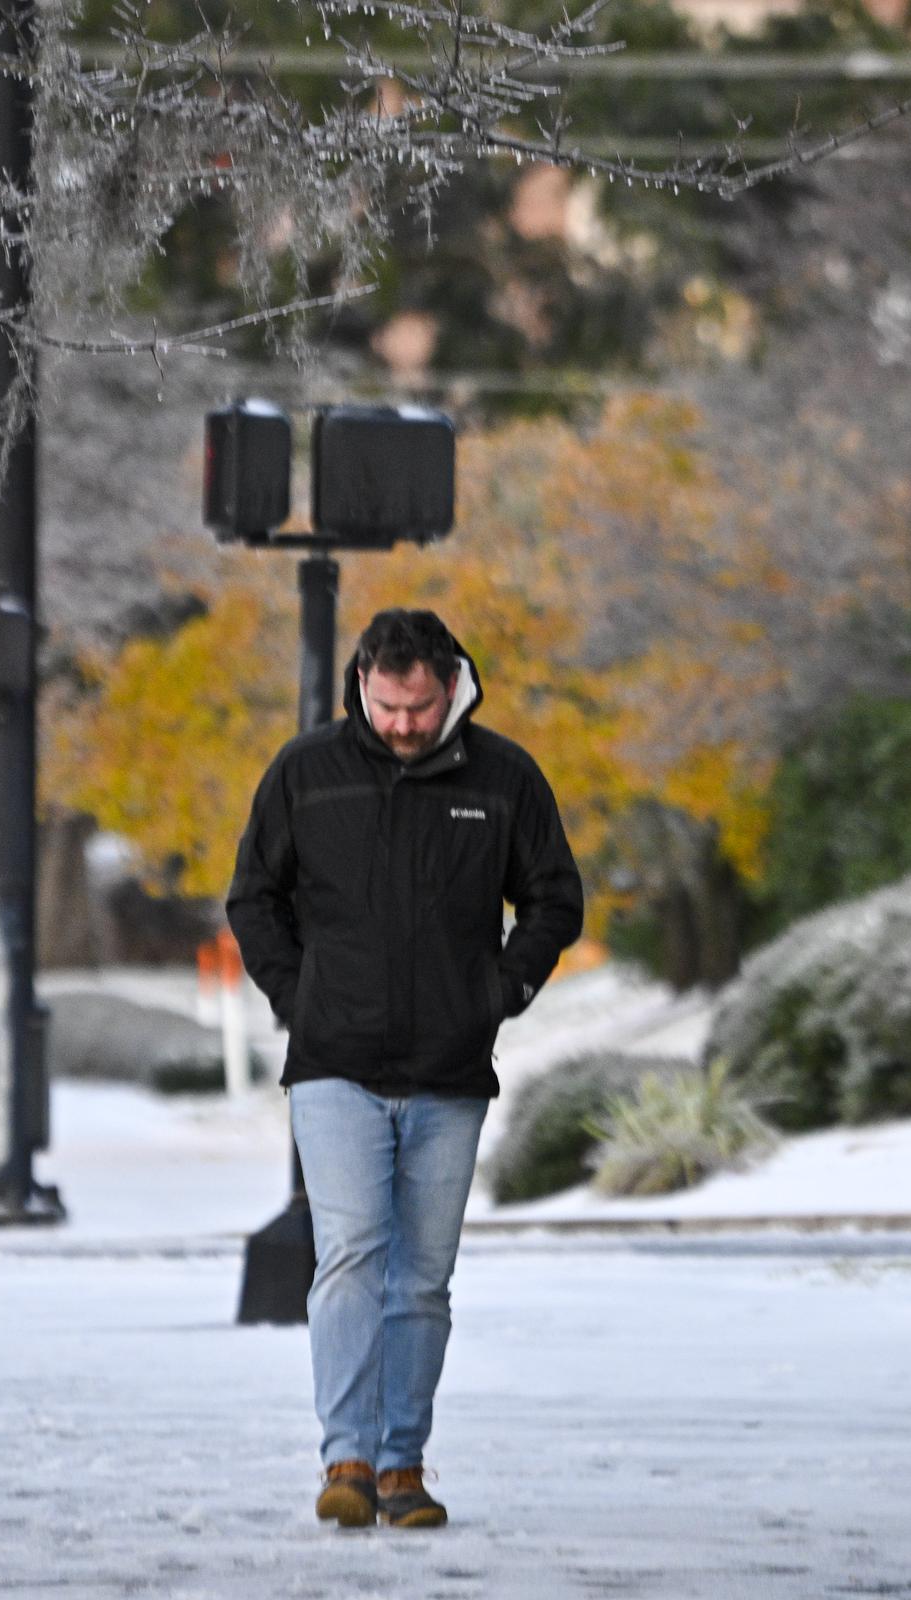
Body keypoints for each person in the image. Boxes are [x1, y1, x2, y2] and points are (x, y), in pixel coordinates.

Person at [227, 608, 584, 1530]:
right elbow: (253, 897)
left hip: (448, 1069)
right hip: (334, 1062)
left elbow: (554, 898)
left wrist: (498, 992)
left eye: (418, 708)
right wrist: (297, 999)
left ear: (451, 685)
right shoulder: (306, 773)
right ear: (362, 685)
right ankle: (345, 1457)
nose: (401, 725)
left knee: (422, 1278)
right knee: (349, 1256)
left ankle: (402, 1464)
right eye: (385, 706)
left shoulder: (503, 779)